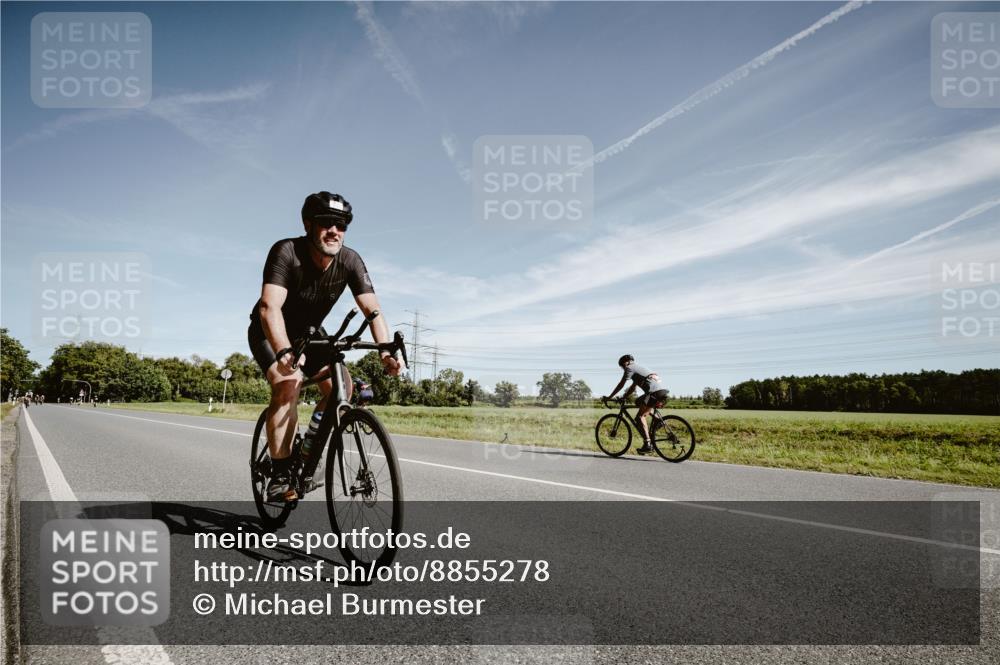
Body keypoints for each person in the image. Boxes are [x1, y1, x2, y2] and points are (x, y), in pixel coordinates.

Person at [248, 191, 402, 502]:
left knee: (342, 386)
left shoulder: (350, 260)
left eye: (341, 224)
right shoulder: (286, 251)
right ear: (308, 224)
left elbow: (373, 311)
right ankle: (279, 474)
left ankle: (307, 451)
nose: (334, 230)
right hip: (270, 330)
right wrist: (284, 351)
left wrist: (386, 349)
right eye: (326, 223)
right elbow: (269, 307)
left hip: (311, 333)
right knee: (288, 382)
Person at [603, 354, 668, 454]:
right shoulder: (639, 369)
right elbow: (633, 388)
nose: (623, 368)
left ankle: (647, 444)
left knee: (639, 417)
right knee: (638, 402)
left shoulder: (630, 368)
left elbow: (621, 384)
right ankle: (657, 419)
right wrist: (624, 397)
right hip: (661, 391)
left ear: (627, 362)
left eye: (622, 366)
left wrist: (610, 397)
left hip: (653, 393)